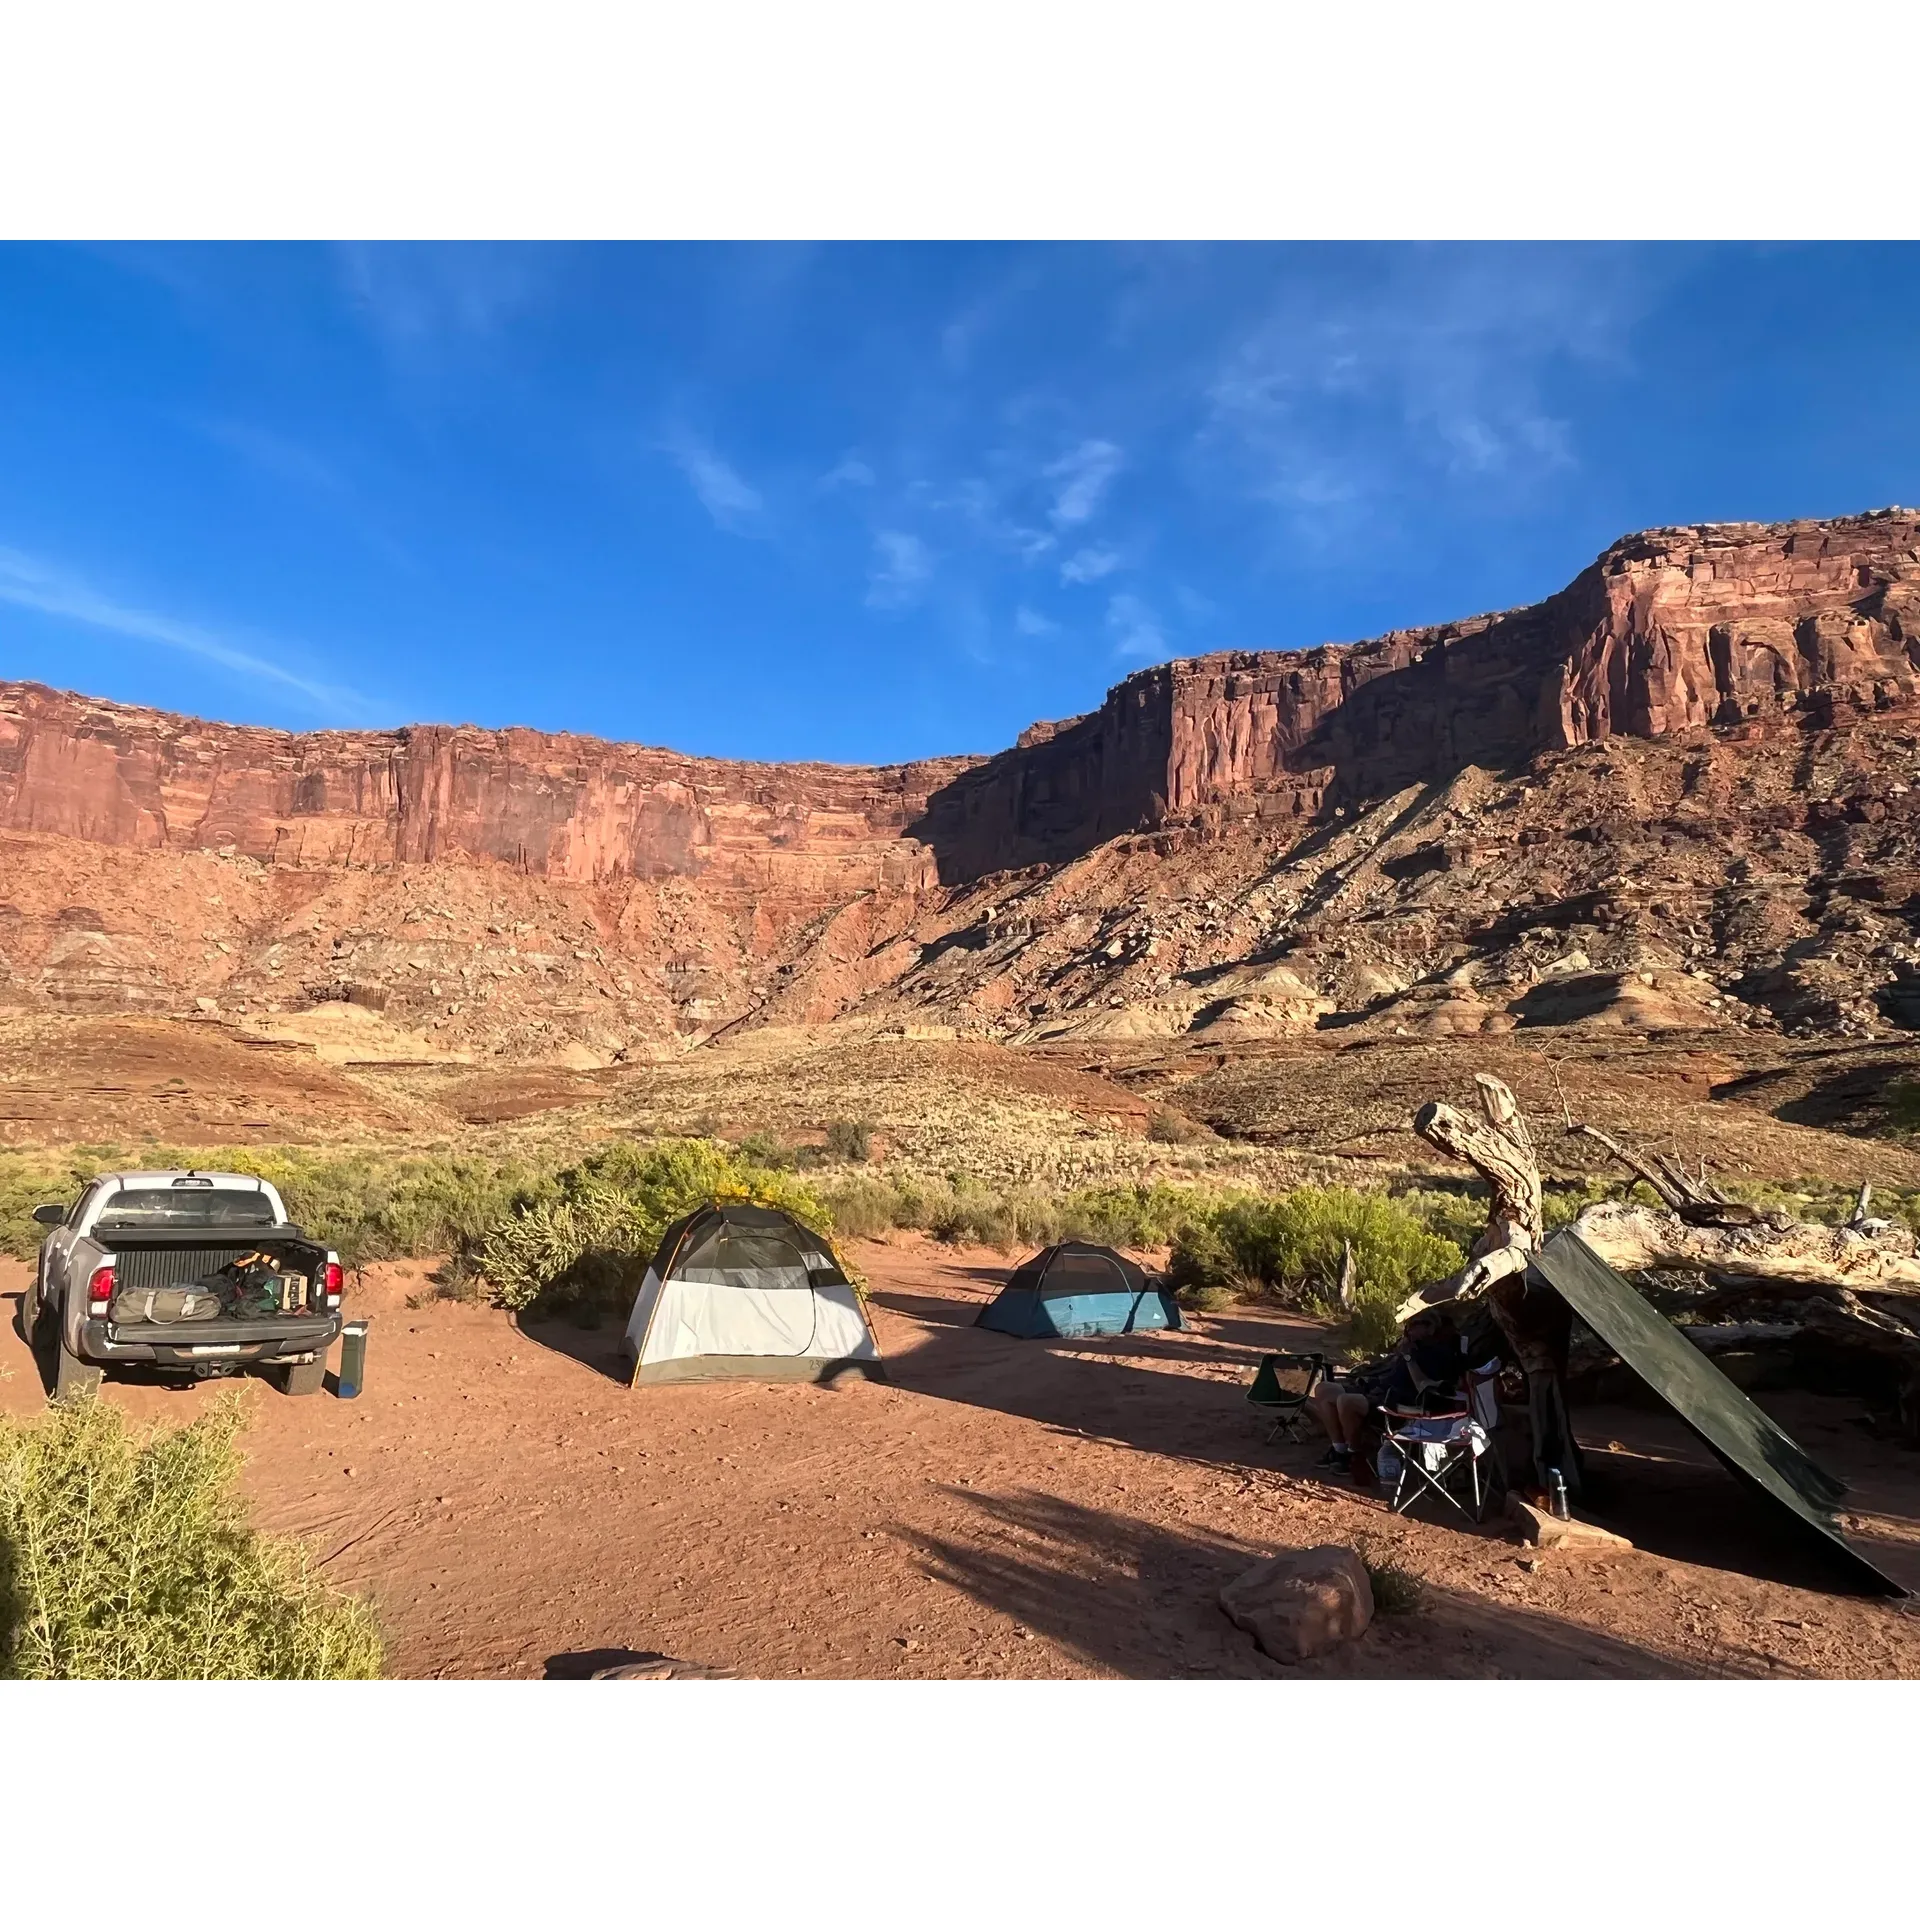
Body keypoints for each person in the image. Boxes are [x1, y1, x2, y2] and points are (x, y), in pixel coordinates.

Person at [1305, 1311, 1465, 1486]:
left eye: (1416, 1324)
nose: (1409, 1329)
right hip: (1380, 1390)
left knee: (1346, 1401)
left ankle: (1353, 1454)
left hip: (1401, 1405)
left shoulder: (1438, 1353)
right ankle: (1339, 1450)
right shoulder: (1412, 1346)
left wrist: (1408, 1357)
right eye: (1408, 1325)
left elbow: (1422, 1385)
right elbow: (1389, 1371)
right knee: (1324, 1389)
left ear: (1431, 1328)